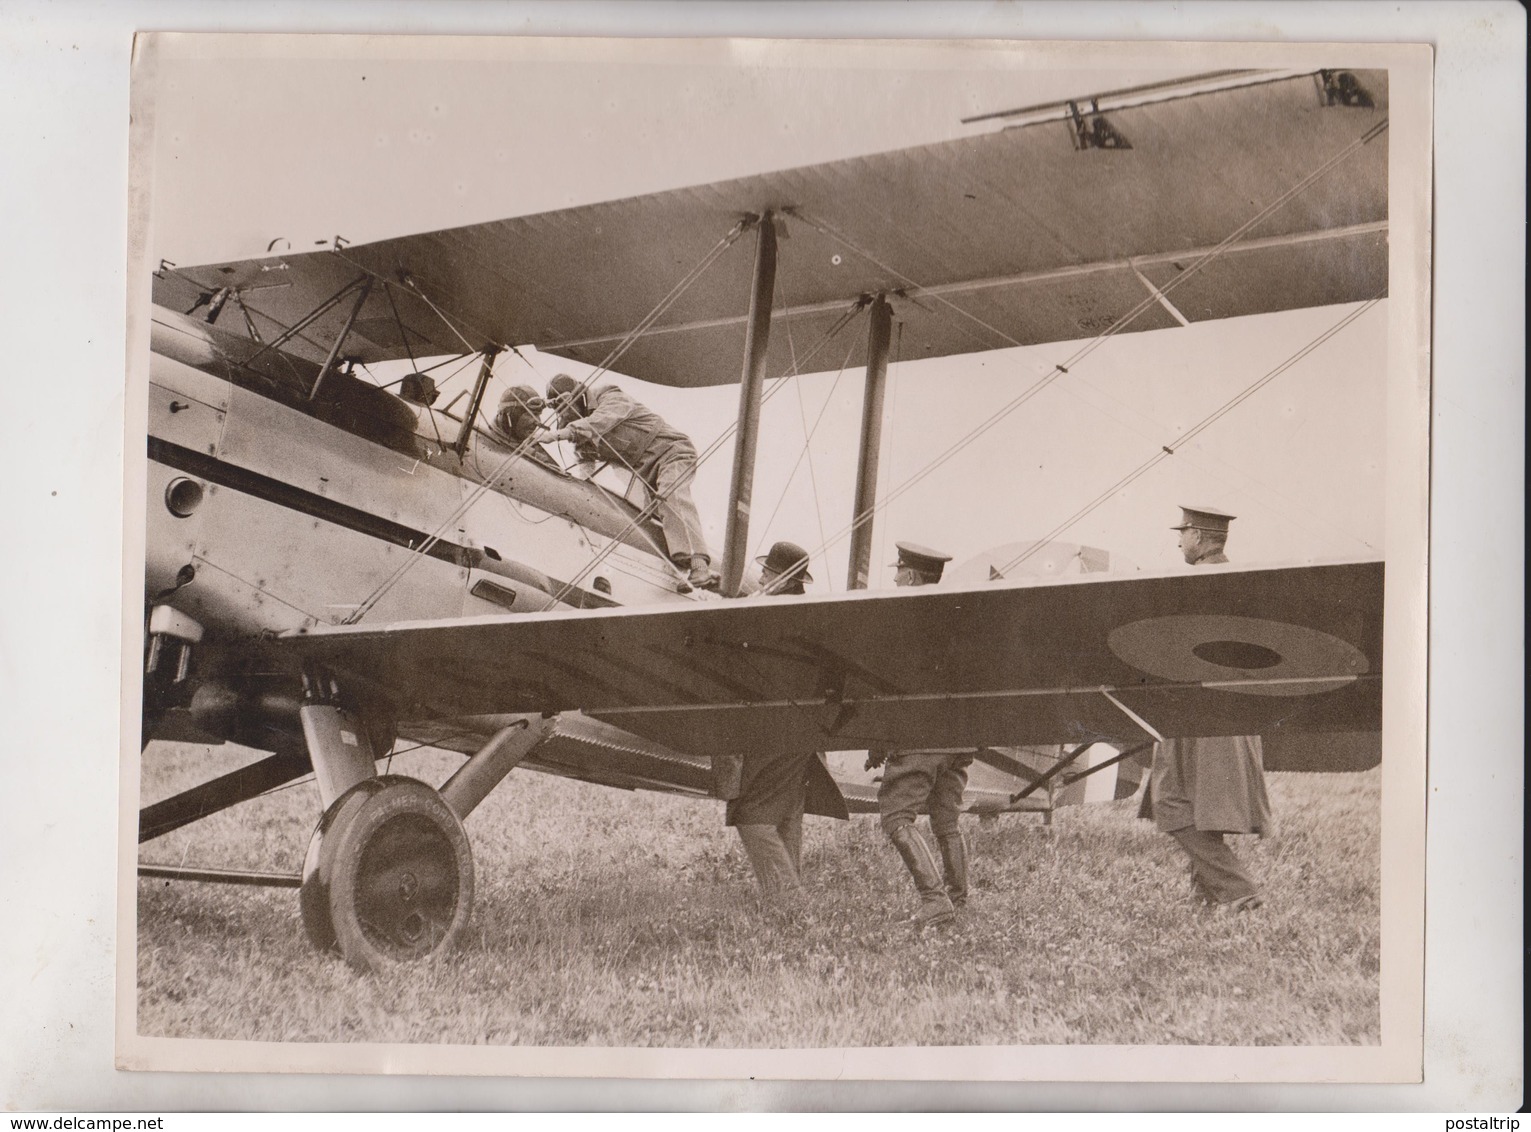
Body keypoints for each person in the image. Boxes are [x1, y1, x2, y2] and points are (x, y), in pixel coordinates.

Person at [1139, 505, 1272, 913]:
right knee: (1199, 808)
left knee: (1173, 805)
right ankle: (1207, 898)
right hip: (1225, 714)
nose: (1179, 541)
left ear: (1197, 536)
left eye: (1182, 534)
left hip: (1202, 716)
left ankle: (1239, 893)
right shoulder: (1240, 583)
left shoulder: (1193, 584)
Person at [868, 541, 972, 928]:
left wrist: (880, 739)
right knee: (946, 821)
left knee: (896, 816)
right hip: (958, 736)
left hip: (921, 735)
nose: (894, 578)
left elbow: (891, 687)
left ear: (911, 577)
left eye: (898, 572)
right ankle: (957, 900)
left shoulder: (902, 622)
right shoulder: (955, 619)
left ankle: (934, 900)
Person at [538, 373, 717, 590]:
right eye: (558, 407)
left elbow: (601, 421)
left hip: (672, 451)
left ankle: (699, 565)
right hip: (644, 470)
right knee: (654, 520)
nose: (564, 411)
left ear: (578, 396)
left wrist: (558, 435)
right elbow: (585, 465)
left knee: (671, 495)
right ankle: (686, 574)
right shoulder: (578, 427)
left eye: (565, 403)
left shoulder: (609, 396)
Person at [719, 541, 828, 900]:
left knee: (750, 813)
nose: (761, 575)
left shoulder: (773, 613)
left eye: (768, 572)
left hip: (774, 733)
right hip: (802, 732)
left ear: (783, 579)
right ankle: (786, 906)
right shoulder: (807, 614)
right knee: (785, 816)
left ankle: (791, 903)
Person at [487, 385, 560, 468]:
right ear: (510, 416)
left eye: (538, 415)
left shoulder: (536, 450)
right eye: (530, 415)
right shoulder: (481, 441)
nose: (537, 422)